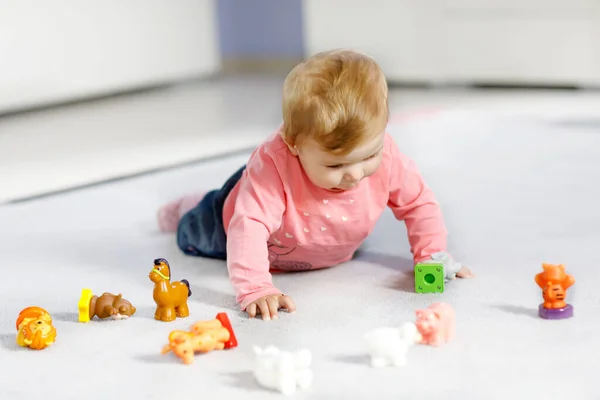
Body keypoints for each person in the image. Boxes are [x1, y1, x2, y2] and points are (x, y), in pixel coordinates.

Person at [157, 49, 473, 320]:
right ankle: (189, 206)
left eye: (369, 155)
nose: (354, 175)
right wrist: (256, 288)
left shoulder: (387, 156)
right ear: (293, 144)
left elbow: (418, 203)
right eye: (336, 164)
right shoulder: (275, 165)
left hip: (327, 234)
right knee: (194, 231)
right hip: (232, 224)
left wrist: (432, 254)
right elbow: (248, 225)